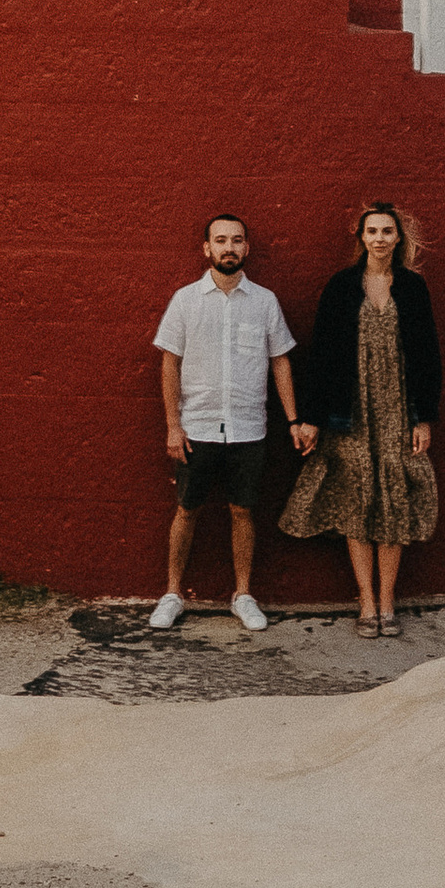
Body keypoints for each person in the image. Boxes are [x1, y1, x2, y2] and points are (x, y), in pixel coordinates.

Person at [278, 202, 441, 631]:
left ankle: (388, 602)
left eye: (388, 231)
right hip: (348, 413)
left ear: (398, 238)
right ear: (361, 238)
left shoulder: (412, 288)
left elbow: (427, 358)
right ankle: (366, 602)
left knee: (392, 502)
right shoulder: (340, 287)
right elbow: (322, 358)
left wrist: (423, 418)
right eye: (372, 231)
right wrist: (311, 416)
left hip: (396, 411)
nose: (380, 238)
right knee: (356, 500)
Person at [149, 212, 313, 630]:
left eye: (236, 240)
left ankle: (242, 595)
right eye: (220, 240)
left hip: (248, 427)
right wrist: (173, 425)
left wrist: (293, 419)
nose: (228, 247)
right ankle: (171, 594)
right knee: (187, 510)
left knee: (243, 511)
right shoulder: (186, 300)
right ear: (206, 248)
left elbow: (280, 362)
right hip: (197, 428)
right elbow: (170, 364)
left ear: (246, 248)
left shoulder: (265, 302)